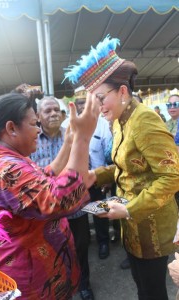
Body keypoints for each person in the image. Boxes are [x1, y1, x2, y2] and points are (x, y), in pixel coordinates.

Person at [64, 35, 179, 300]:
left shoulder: (145, 119)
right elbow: (126, 167)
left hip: (151, 226)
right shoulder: (118, 120)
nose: (97, 106)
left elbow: (171, 177)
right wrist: (96, 174)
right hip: (130, 223)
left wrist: (129, 208)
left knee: (152, 292)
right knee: (141, 286)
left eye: (100, 98)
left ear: (123, 92)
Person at [0, 92, 100, 299]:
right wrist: (83, 137)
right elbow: (59, 200)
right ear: (11, 128)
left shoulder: (5, 159)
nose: (38, 130)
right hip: (32, 281)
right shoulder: (6, 169)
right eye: (34, 124)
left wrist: (69, 143)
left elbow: (41, 179)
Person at [62, 87, 113, 261]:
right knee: (80, 216)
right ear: (74, 105)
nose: (83, 106)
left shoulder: (103, 123)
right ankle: (83, 245)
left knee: (100, 213)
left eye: (85, 102)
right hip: (75, 182)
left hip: (97, 177)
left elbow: (108, 152)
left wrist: (106, 177)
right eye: (79, 103)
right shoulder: (66, 125)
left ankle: (103, 241)